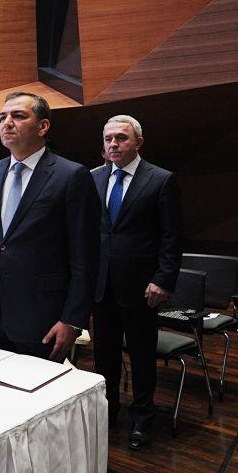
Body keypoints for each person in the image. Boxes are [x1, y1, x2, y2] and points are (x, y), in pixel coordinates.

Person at [0, 92, 99, 360]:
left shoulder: (71, 175)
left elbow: (85, 256)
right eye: (2, 117)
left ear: (43, 126)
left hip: (43, 316)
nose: (7, 123)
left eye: (18, 116)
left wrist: (72, 319)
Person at [91, 115, 183, 450]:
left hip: (143, 287)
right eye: (108, 139)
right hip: (101, 285)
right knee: (104, 356)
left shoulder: (160, 179)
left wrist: (163, 279)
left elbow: (172, 236)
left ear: (138, 142)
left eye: (121, 138)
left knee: (142, 357)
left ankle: (143, 417)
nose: (113, 144)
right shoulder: (93, 178)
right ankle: (108, 412)